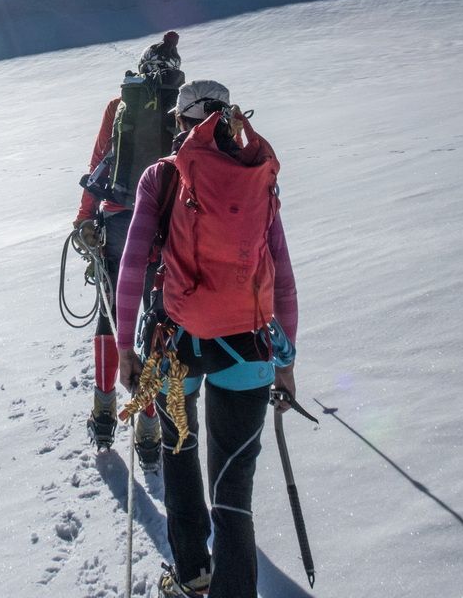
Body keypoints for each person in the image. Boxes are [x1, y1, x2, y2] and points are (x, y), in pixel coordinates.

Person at [116, 80, 298, 598]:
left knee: (179, 452)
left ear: (181, 124)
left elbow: (133, 264)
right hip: (252, 348)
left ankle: (193, 570)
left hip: (176, 347)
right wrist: (287, 358)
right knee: (232, 487)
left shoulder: (162, 176)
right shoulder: (256, 176)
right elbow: (280, 272)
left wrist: (126, 347)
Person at [74, 31, 184, 469]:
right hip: (164, 227)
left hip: (118, 220)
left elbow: (98, 163)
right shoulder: (182, 108)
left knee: (110, 315)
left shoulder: (119, 106)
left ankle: (104, 412)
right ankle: (150, 424)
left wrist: (84, 218)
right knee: (153, 324)